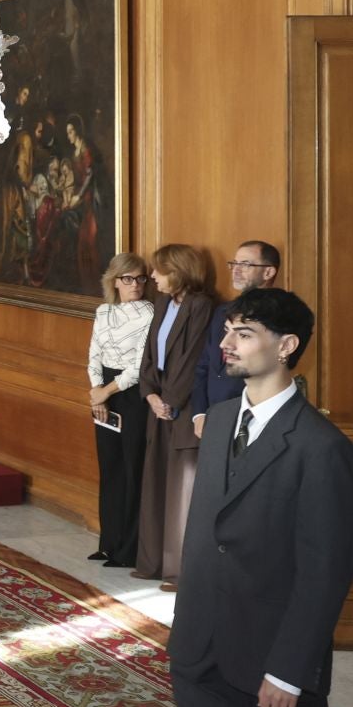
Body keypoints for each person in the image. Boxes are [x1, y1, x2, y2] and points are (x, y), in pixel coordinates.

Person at [137, 288, 353, 707]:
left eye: (244, 333)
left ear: (286, 346)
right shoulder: (220, 417)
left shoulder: (321, 449)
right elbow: (207, 536)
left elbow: (325, 573)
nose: (227, 343)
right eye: (227, 331)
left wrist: (290, 672)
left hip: (273, 661)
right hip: (204, 643)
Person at [132, 244, 216, 591]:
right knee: (155, 481)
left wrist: (170, 400)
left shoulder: (201, 306)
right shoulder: (164, 303)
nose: (152, 276)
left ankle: (180, 571)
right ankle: (152, 563)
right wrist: (150, 394)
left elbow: (194, 360)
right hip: (159, 403)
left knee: (182, 489)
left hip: (183, 407)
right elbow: (150, 353)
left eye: (159, 270)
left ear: (178, 271)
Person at [86, 253, 154, 567]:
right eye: (129, 279)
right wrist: (96, 393)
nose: (136, 285)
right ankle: (108, 542)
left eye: (141, 278)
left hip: (131, 394)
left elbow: (140, 365)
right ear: (116, 281)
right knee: (109, 467)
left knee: (131, 469)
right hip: (104, 394)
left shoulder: (150, 313)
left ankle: (128, 549)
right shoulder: (103, 311)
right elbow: (94, 355)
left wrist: (106, 392)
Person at [192, 241, 281, 438]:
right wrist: (199, 413)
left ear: (268, 273)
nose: (236, 270)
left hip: (253, 421)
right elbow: (204, 365)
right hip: (212, 419)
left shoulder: (279, 317)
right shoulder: (222, 312)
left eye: (246, 265)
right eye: (234, 264)